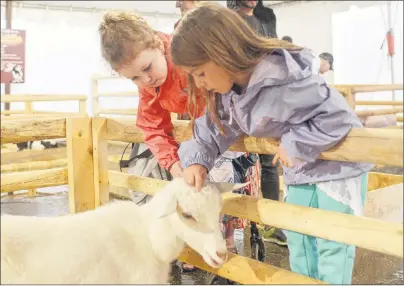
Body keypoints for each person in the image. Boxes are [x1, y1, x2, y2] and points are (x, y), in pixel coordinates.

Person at [170, 3, 373, 284]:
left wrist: (297, 142)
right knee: (299, 241)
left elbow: (338, 117)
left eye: (200, 73)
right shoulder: (232, 94)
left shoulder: (284, 78)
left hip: (337, 170)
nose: (200, 83)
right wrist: (197, 159)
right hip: (299, 169)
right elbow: (215, 128)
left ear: (222, 53)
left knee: (333, 245)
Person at [228, 0, 287, 246]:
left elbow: (272, 51)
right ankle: (234, 228)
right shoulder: (228, 18)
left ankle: (271, 225)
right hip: (240, 94)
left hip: (267, 93)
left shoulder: (267, 16)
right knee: (238, 162)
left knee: (270, 161)